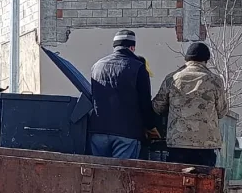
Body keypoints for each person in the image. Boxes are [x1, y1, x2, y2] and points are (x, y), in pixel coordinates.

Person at [152, 42, 229, 167]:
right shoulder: (215, 81)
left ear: (186, 58)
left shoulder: (172, 79)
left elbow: (157, 107)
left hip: (178, 144)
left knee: (177, 184)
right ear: (206, 60)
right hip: (206, 145)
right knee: (205, 184)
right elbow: (222, 111)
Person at [87, 29, 160, 159]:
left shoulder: (97, 66)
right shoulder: (138, 67)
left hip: (98, 132)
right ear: (132, 47)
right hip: (127, 133)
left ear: (115, 46)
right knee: (122, 176)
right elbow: (144, 103)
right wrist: (151, 127)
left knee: (99, 176)